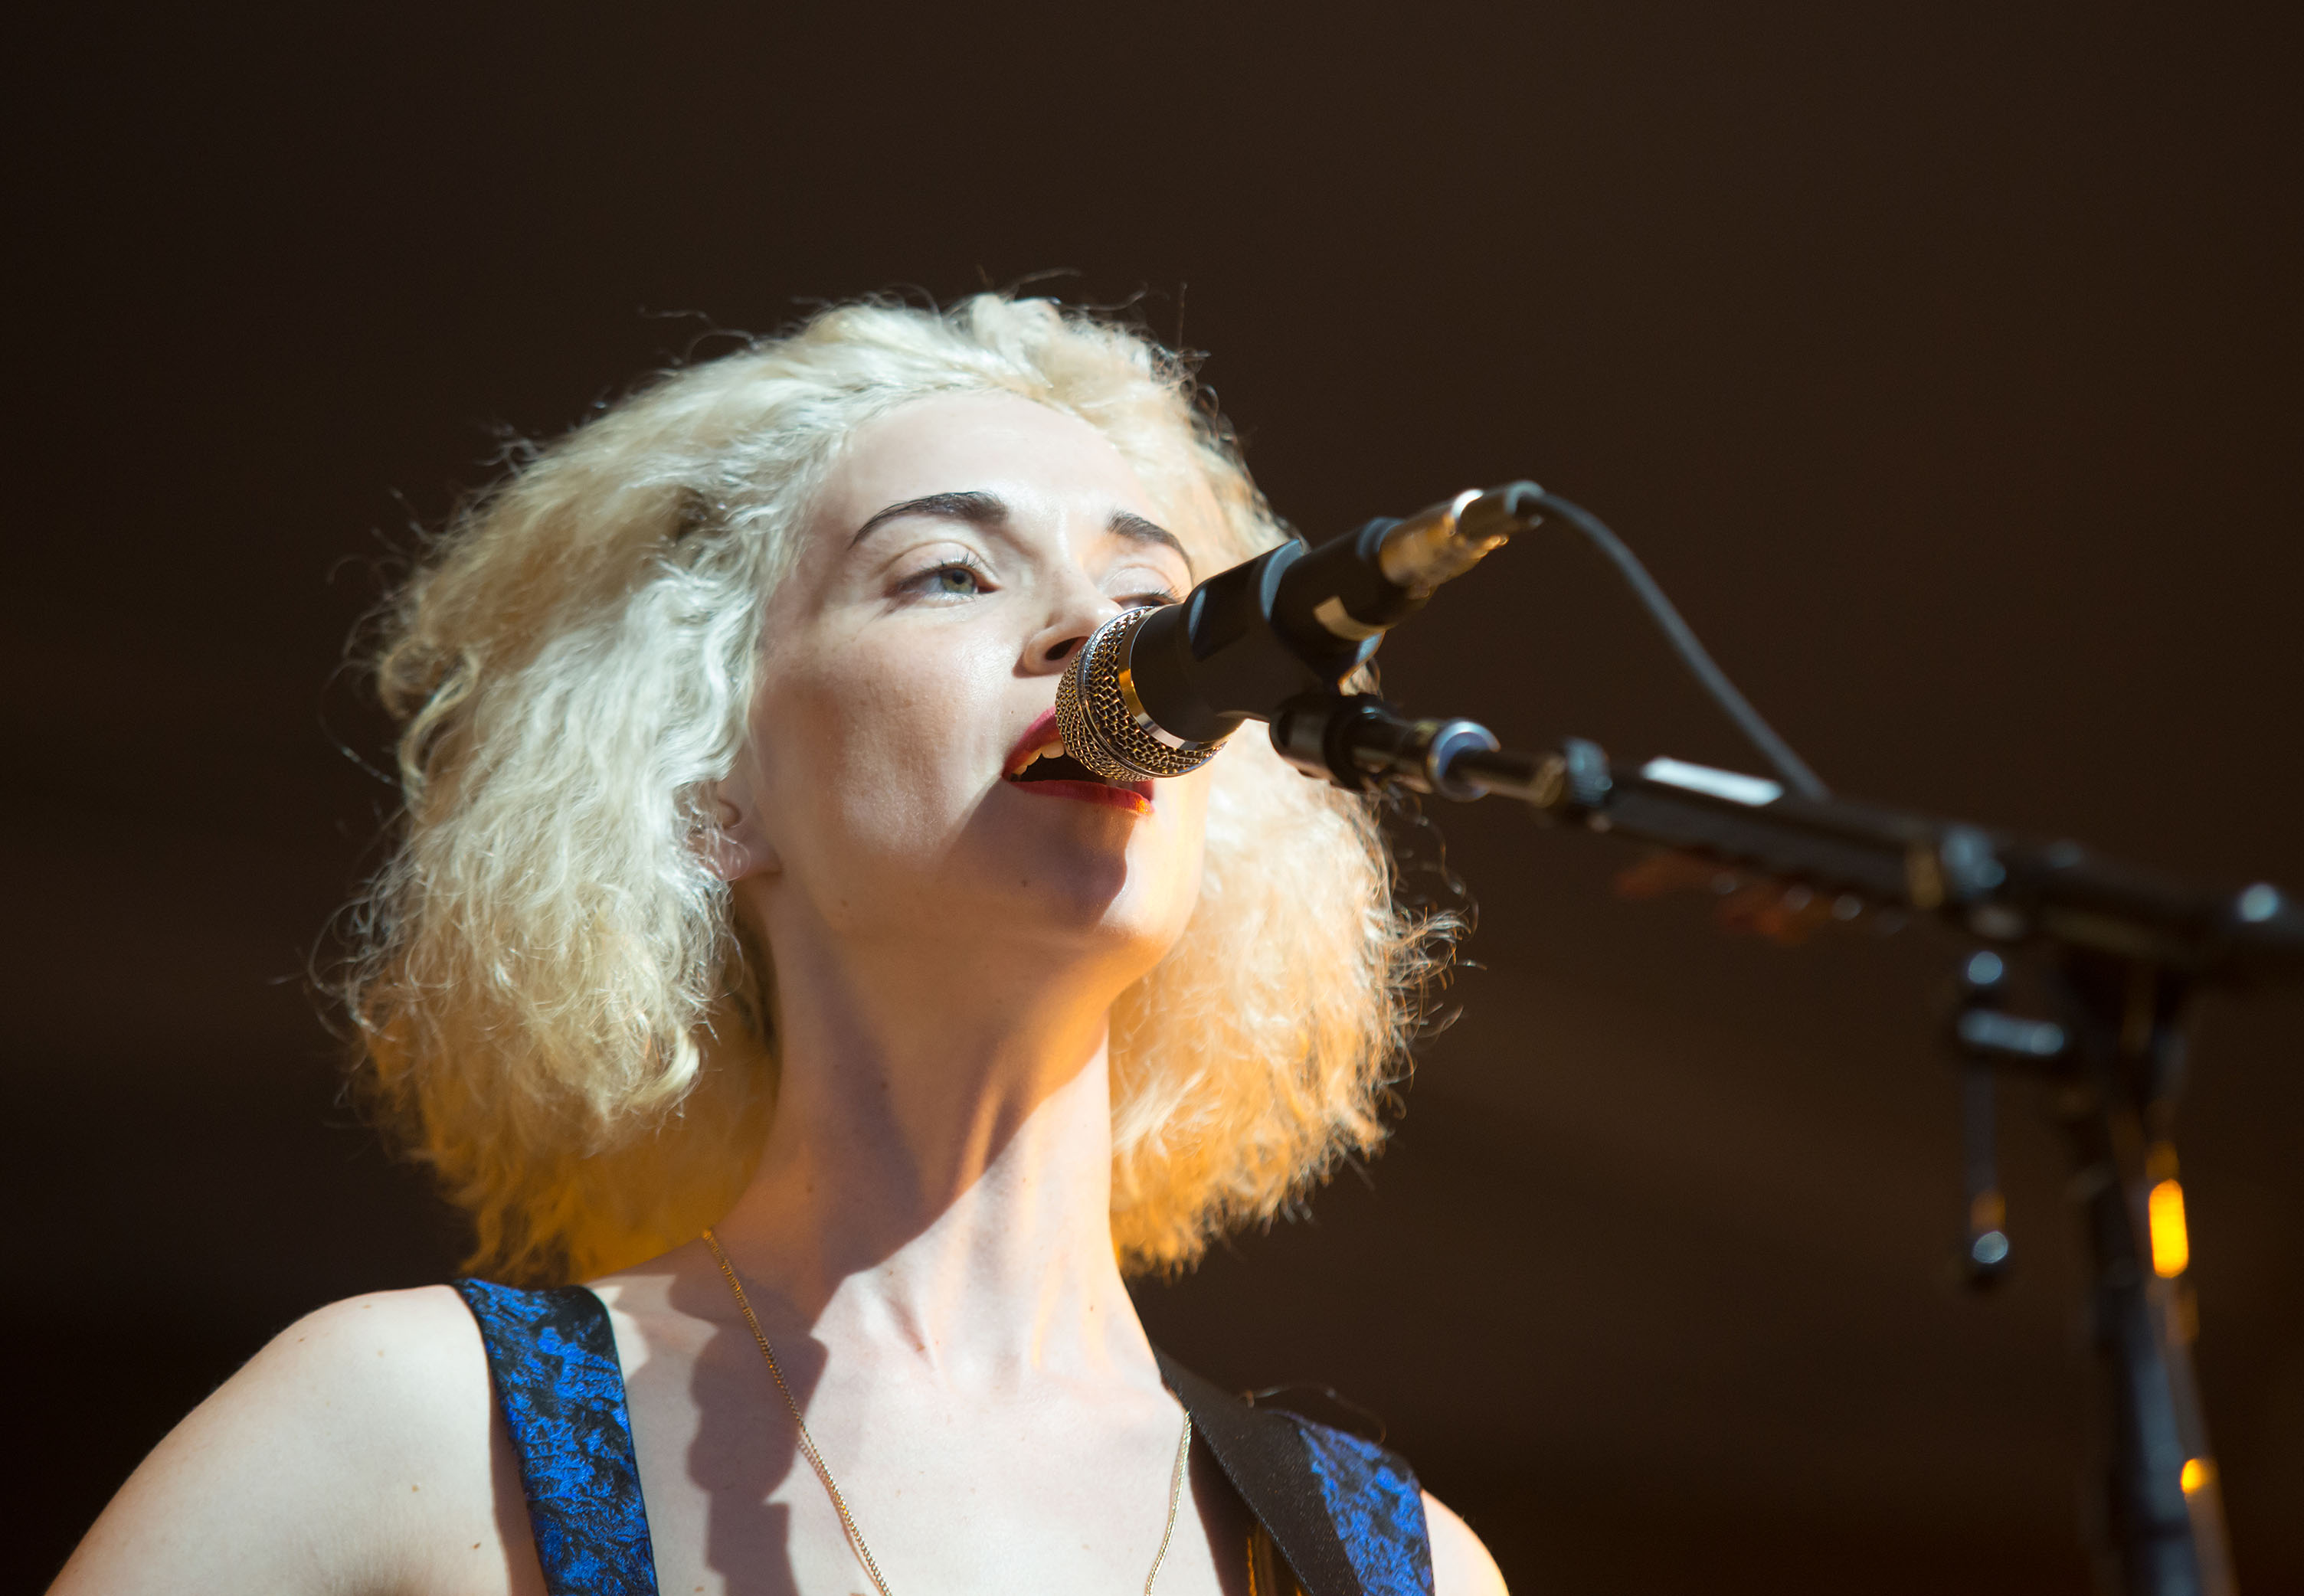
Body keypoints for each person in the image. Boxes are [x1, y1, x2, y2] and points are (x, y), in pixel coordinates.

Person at [53, 295, 1508, 1596]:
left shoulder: (1394, 1564)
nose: (1093, 633)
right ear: (711, 792)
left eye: (1153, 603)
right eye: (948, 572)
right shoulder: (404, 1428)